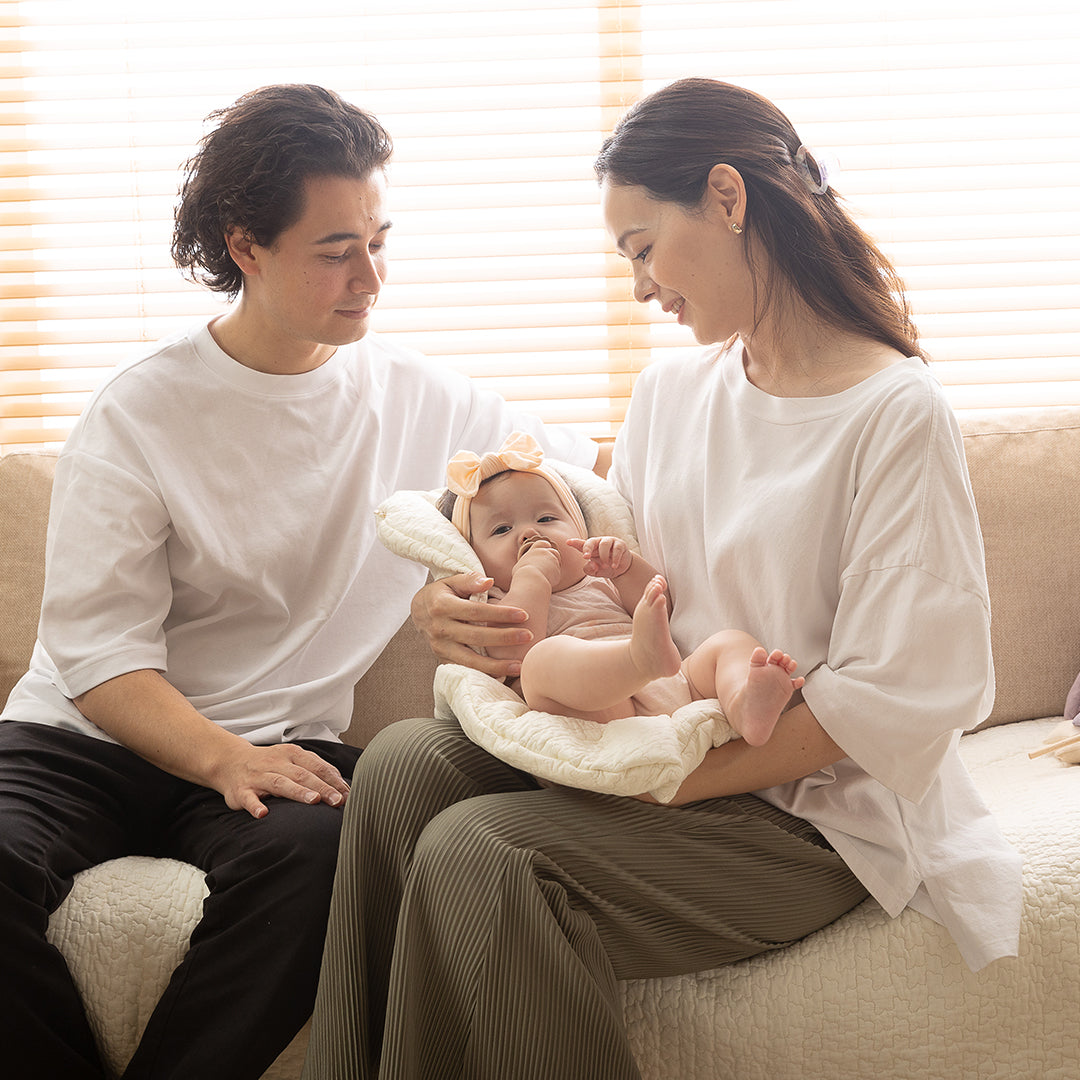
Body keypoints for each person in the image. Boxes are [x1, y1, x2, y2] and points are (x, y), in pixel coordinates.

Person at [301, 78, 1022, 1080]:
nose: (641, 286)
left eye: (643, 247)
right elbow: (595, 576)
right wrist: (459, 607)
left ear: (727, 198)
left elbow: (904, 698)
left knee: (486, 851)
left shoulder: (893, 415)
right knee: (401, 766)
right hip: (648, 730)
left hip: (808, 813)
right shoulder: (672, 392)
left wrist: (665, 782)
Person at [0, 83, 599, 1080]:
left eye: (378, 240)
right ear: (246, 245)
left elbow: (572, 482)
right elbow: (99, 657)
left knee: (329, 866)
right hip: (88, 741)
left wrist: (497, 571)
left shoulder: (422, 399)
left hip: (287, 748)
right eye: (336, 250)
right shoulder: (140, 413)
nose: (371, 275)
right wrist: (221, 756)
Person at [439, 431, 803, 743]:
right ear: (476, 557)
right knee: (539, 663)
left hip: (674, 681)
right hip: (605, 708)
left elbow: (661, 603)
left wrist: (626, 568)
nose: (530, 533)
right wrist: (532, 577)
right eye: (502, 530)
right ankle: (637, 658)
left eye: (547, 518)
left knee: (730, 641)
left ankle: (744, 700)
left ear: (581, 530)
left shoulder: (596, 575)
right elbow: (514, 656)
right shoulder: (496, 599)